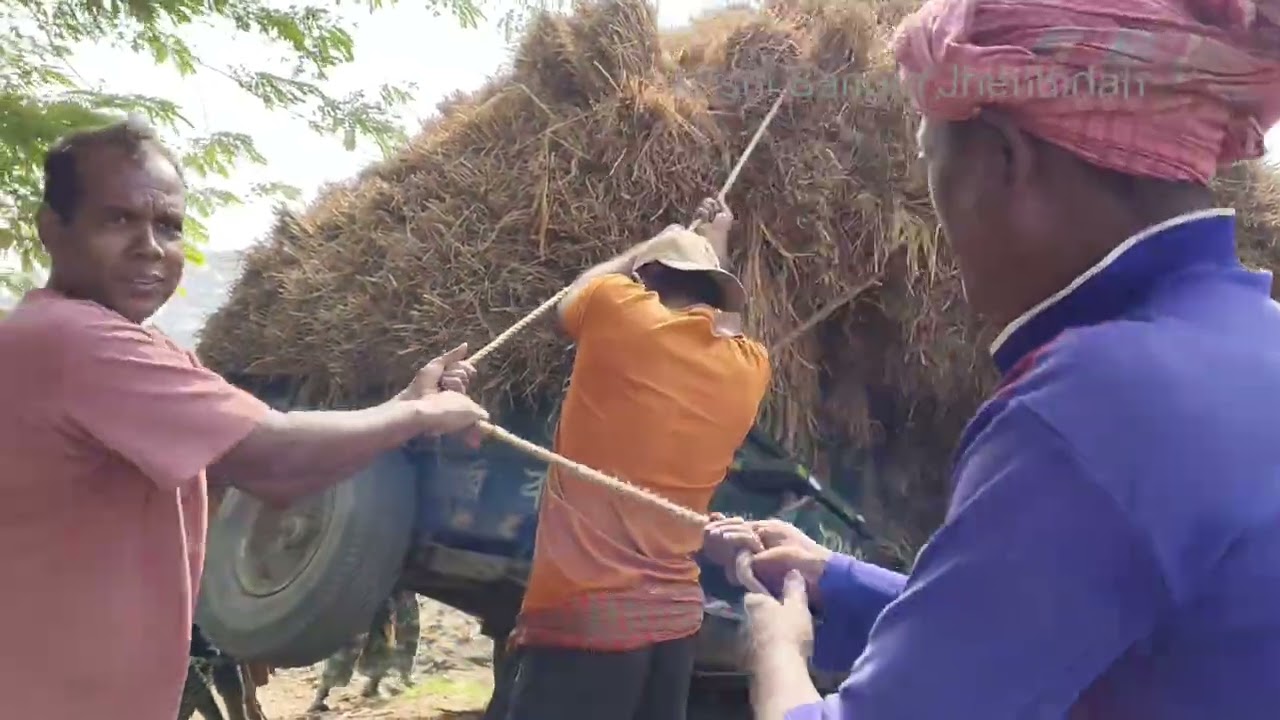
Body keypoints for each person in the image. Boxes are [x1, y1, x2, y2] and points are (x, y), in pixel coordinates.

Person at [717, 0, 1280, 718]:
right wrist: (839, 581)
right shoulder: (1251, 343)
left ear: (1006, 160)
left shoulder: (1089, 408)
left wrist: (777, 648)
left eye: (930, 156)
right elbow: (1084, 612)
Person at [0, 117, 490, 720]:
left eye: (168, 226)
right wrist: (419, 418)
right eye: (118, 219)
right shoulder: (77, 341)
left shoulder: (82, 341)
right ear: (53, 228)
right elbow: (273, 460)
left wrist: (405, 406)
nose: (150, 247)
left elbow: (246, 454)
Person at [499, 198, 772, 720]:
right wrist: (715, 243)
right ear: (713, 296)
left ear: (647, 280)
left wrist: (650, 245)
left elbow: (571, 300)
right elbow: (731, 328)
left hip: (586, 621)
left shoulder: (619, 313)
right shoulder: (750, 369)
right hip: (674, 626)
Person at [308, 589, 421, 712]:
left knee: (386, 635)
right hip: (363, 588)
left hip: (394, 584)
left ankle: (376, 685)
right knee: (350, 642)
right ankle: (321, 695)